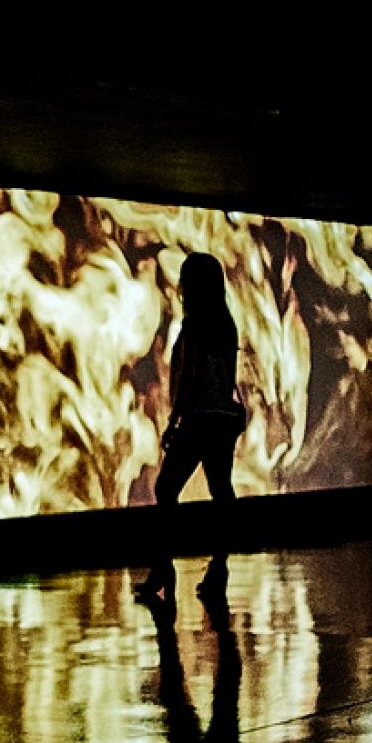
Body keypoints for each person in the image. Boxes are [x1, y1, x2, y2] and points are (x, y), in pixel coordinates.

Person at [136, 253, 245, 605]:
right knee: (221, 494)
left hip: (199, 418)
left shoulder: (195, 325)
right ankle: (218, 570)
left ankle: (164, 568)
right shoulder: (226, 324)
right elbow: (226, 376)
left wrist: (174, 421)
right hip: (222, 419)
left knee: (166, 489)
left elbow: (190, 377)